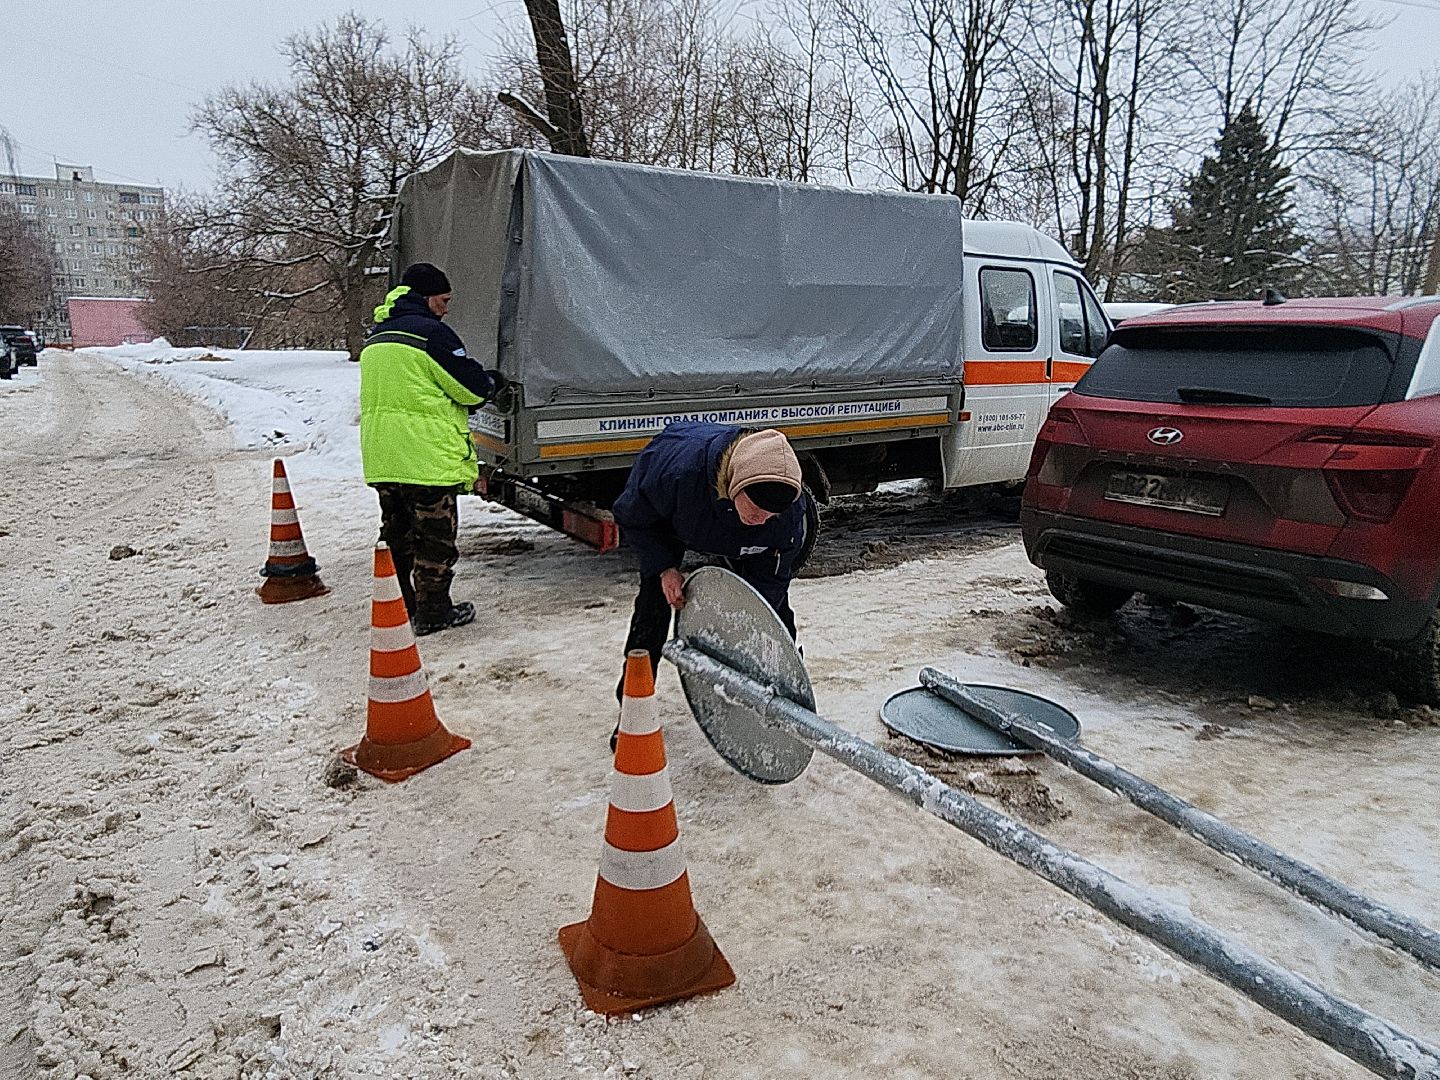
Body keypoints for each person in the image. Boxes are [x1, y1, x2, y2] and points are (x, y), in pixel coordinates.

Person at [609, 423, 813, 745]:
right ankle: (632, 715)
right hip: (677, 521)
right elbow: (633, 515)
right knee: (652, 614)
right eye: (756, 509)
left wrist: (756, 622)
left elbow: (774, 571)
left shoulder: (785, 514)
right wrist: (664, 567)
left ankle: (785, 712)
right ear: (736, 485)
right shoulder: (675, 473)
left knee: (775, 621)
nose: (762, 518)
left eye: (771, 515)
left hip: (745, 545)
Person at [359, 262, 503, 636]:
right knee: (435, 541)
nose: (446, 308)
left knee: (396, 534)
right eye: (443, 299)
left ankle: (400, 605)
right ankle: (434, 612)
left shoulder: (378, 337)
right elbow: (470, 390)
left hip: (384, 457)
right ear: (426, 298)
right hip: (424, 458)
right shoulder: (431, 334)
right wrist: (490, 381)